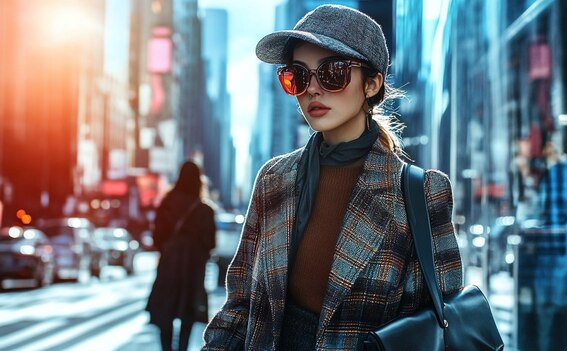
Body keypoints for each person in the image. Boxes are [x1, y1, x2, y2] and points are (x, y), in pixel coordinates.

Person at [203, 4, 462, 350]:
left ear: (372, 84)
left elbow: (439, 320)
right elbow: (240, 305)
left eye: (333, 72)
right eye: (297, 75)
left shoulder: (421, 191)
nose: (312, 89)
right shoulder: (274, 179)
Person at [147, 160, 216, 351]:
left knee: (165, 313)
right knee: (188, 313)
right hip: (193, 270)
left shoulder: (167, 204)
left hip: (169, 267)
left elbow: (156, 237)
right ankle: (183, 348)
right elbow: (211, 244)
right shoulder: (205, 210)